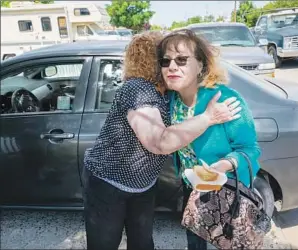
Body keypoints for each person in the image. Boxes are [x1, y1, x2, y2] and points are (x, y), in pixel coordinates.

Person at [81, 31, 242, 250]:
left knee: (143, 243)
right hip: (108, 184)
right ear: (155, 60)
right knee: (104, 245)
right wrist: (208, 118)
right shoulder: (138, 88)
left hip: (142, 185)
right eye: (166, 58)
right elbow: (160, 143)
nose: (172, 65)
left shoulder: (166, 93)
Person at [158, 29, 261, 250]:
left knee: (232, 243)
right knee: (195, 242)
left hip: (227, 190)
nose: (172, 67)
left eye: (182, 59)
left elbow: (249, 149)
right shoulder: (172, 101)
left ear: (201, 66)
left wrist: (222, 166)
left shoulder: (225, 99)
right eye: (165, 61)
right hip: (192, 186)